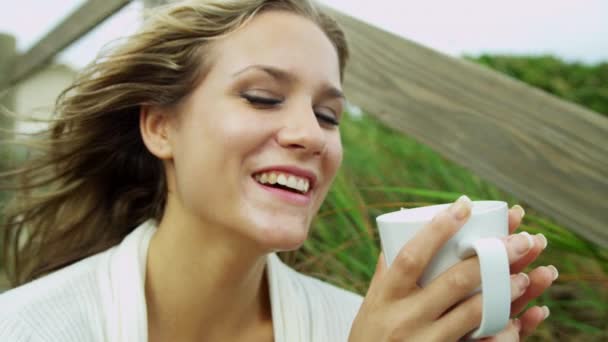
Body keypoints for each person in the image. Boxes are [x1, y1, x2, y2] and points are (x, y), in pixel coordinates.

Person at [0, 0, 557, 341]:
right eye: (263, 97)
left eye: (327, 115)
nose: (311, 135)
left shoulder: (366, 329)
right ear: (160, 127)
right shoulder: (24, 328)